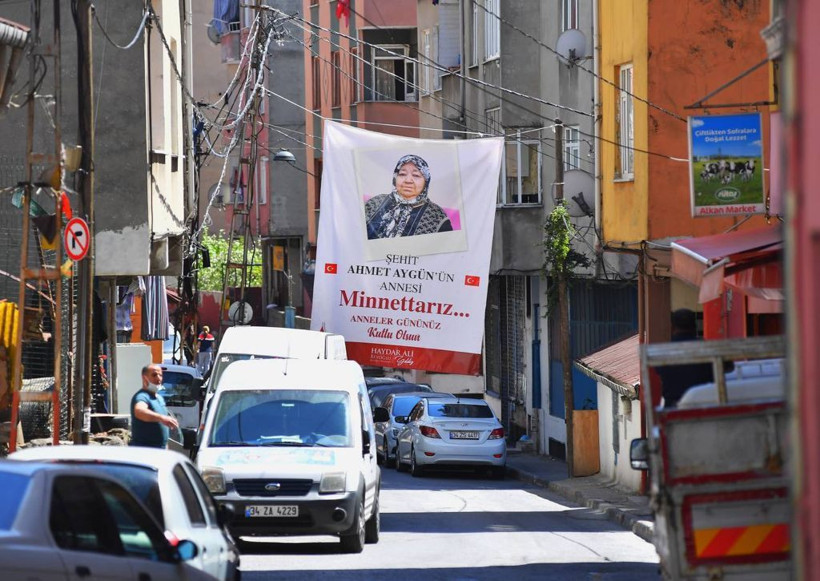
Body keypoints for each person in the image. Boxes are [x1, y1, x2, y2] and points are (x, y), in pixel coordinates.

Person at [364, 154, 453, 240]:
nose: (408, 180)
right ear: (395, 177)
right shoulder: (375, 203)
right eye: (402, 174)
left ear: (426, 181)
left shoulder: (436, 217)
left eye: (416, 175)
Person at [656, 308, 726, 408]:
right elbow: (727, 368)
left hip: (673, 409)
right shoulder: (709, 349)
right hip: (706, 407)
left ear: (672, 327)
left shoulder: (662, 352)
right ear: (695, 327)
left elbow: (657, 371)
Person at [130, 364, 179, 448]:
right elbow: (139, 411)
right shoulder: (142, 396)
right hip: (146, 450)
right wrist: (162, 418)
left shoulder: (159, 398)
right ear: (144, 378)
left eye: (160, 375)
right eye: (154, 375)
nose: (158, 378)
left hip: (160, 450)